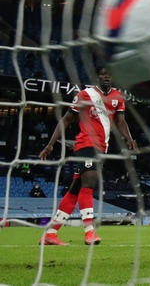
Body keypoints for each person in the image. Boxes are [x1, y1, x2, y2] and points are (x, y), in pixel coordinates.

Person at [38, 66, 137, 246]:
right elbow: (66, 119)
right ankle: (89, 232)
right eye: (103, 74)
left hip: (101, 148)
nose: (106, 77)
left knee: (74, 190)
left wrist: (129, 138)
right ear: (97, 77)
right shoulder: (85, 95)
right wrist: (50, 144)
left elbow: (121, 121)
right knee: (89, 184)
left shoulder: (118, 97)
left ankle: (51, 233)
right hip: (85, 144)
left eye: (109, 74)